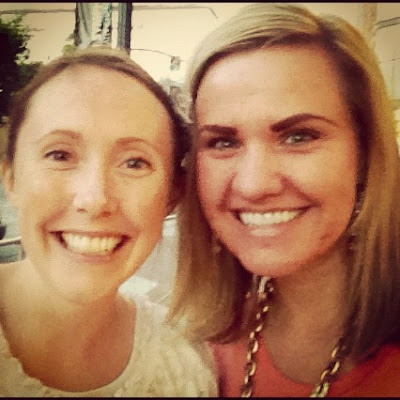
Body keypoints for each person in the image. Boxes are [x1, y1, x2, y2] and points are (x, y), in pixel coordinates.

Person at [169, 3, 400, 397]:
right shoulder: (189, 352)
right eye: (223, 142)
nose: (254, 185)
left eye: (299, 136)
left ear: (365, 154)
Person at [0, 48, 217, 397]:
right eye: (60, 155)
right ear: (10, 177)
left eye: (134, 163)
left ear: (171, 195)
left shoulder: (186, 368)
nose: (95, 199)